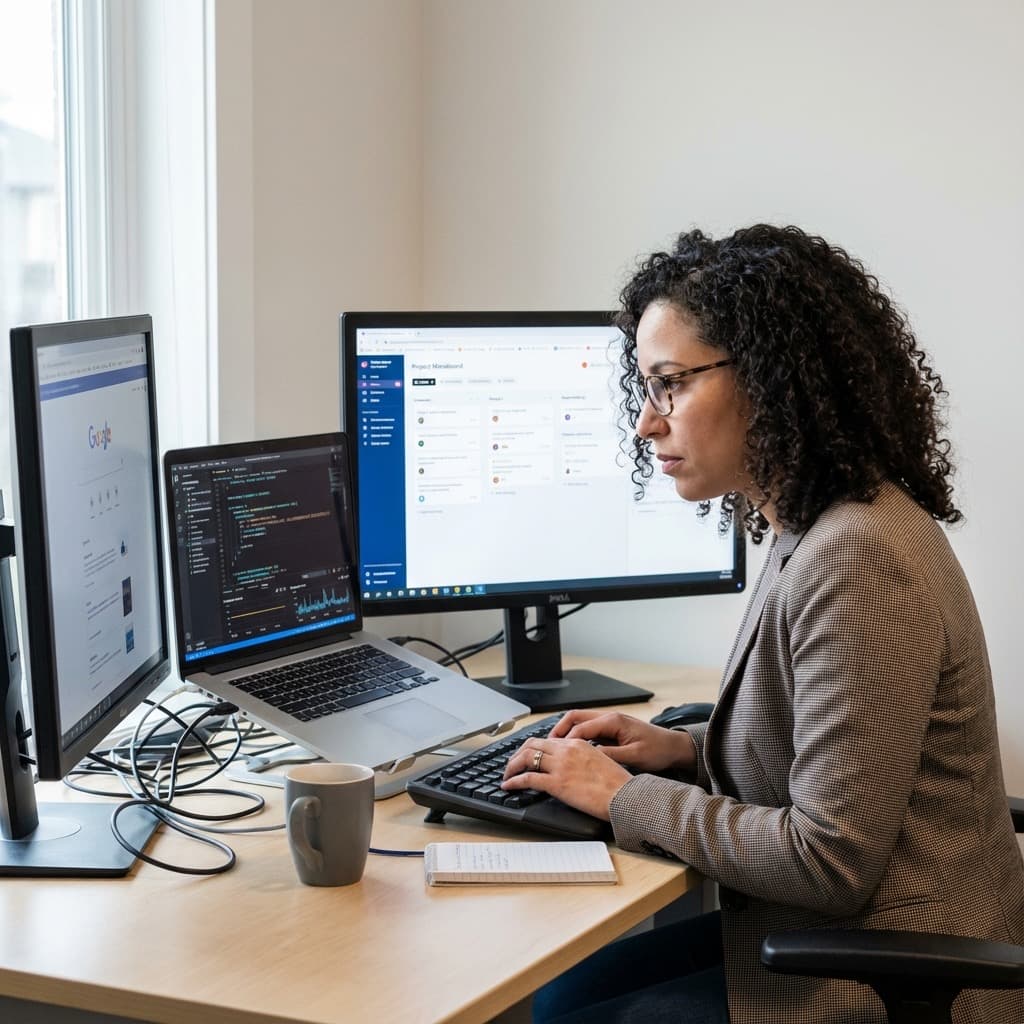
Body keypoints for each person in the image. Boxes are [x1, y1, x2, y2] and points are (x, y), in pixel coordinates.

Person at [500, 224, 1024, 1024]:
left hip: (880, 968)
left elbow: (830, 861)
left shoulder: (858, 555)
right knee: (564, 992)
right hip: (834, 933)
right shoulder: (815, 520)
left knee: (568, 1014)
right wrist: (684, 750)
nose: (648, 422)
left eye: (670, 383)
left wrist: (624, 796)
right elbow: (833, 756)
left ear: (772, 379)